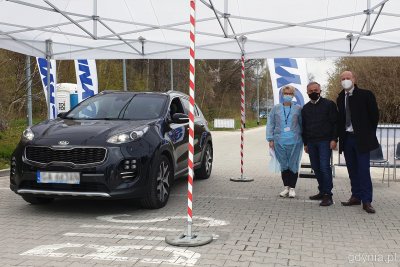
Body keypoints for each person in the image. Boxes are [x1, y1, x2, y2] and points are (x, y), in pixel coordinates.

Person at [337, 71, 379, 214]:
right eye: (342, 79)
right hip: (347, 139)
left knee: (363, 170)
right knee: (352, 170)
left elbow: (374, 116)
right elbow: (341, 119)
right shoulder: (340, 97)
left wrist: (367, 134)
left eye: (348, 78)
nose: (345, 80)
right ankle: (356, 196)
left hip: (361, 139)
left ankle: (367, 201)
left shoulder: (366, 95)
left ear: (354, 79)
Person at [301, 82, 338, 206]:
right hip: (311, 142)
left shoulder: (329, 104)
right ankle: (322, 191)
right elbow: (304, 127)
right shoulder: (305, 108)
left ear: (320, 90)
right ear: (307, 93)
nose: (313, 92)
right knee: (316, 168)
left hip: (325, 141)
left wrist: (334, 139)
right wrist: (305, 143)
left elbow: (335, 123)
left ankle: (328, 195)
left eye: (315, 90)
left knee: (324, 167)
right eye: (310, 91)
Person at [267, 85, 303, 198]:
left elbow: (302, 125)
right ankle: (286, 187)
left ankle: (292, 188)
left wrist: (305, 139)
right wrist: (270, 139)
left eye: (290, 94)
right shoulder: (276, 109)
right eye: (285, 93)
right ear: (282, 95)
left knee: (293, 164)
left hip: (295, 141)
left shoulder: (298, 109)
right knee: (284, 165)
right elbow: (270, 124)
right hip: (279, 141)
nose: (287, 96)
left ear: (293, 96)